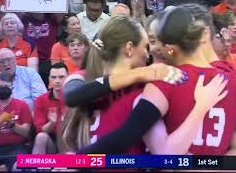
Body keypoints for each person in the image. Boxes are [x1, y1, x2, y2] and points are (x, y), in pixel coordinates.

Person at [76, 7, 236, 156]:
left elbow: (126, 136)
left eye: (155, 41)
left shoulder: (165, 81)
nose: (153, 49)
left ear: (168, 46)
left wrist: (75, 159)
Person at [60, 16, 190, 153]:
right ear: (129, 48)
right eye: (145, 46)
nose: (148, 54)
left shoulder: (144, 86)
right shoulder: (83, 78)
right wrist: (138, 74)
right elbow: (71, 96)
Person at [0, 71, 32, 171]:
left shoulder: (22, 105)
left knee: (17, 167)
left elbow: (26, 133)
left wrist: (12, 124)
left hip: (17, 148)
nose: (3, 88)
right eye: (0, 86)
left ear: (12, 87)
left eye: (6, 86)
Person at [32, 62, 68, 154]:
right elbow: (40, 129)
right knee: (41, 137)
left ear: (68, 78)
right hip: (50, 142)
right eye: (54, 77)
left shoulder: (75, 97)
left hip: (70, 140)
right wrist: (52, 123)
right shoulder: (41, 100)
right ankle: (40, 167)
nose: (57, 81)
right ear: (49, 79)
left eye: (61, 77)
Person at [21, 13, 59, 87]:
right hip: (29, 59)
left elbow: (62, 11)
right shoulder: (25, 18)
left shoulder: (52, 18)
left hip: (48, 61)